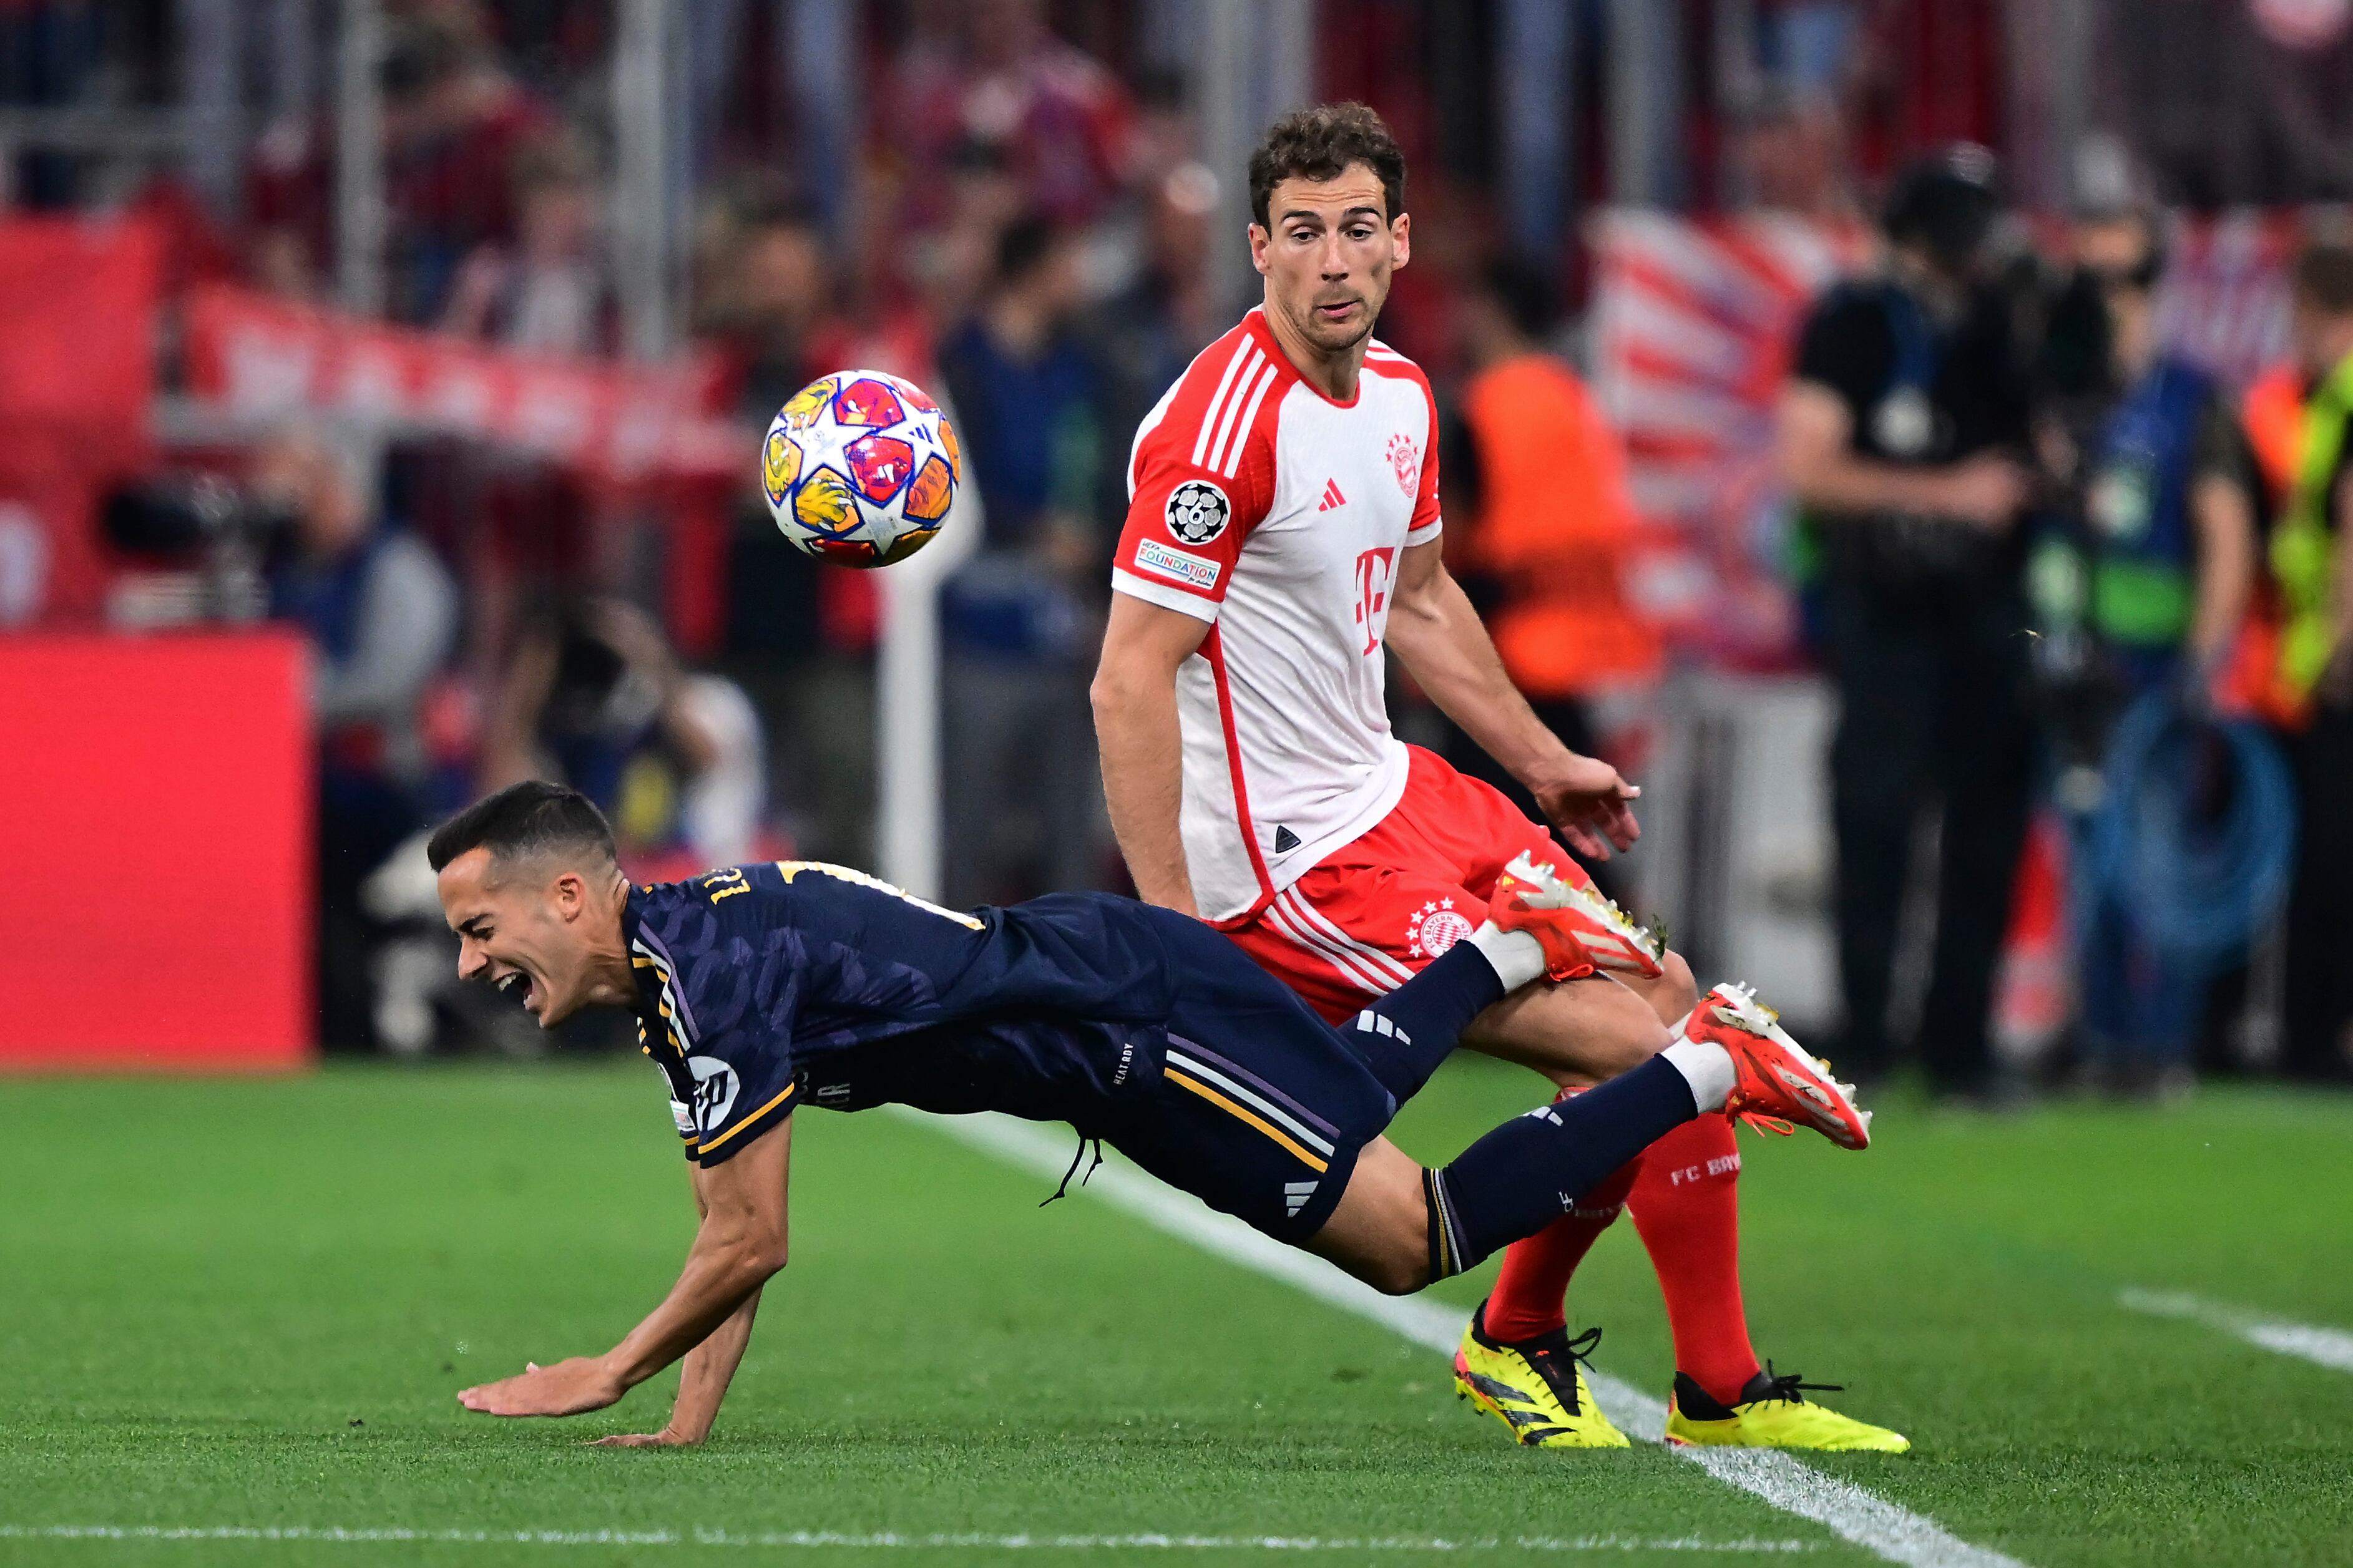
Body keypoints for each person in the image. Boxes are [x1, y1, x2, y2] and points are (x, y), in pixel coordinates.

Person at [1091, 103, 1904, 1453]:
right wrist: (1173, 924)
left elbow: (1417, 600)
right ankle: (1526, 1338)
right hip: (1289, 858)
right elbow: (1127, 678)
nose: (1333, 260)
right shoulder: (1219, 428)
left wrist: (1540, 760)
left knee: (1672, 998)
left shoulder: (1404, 394)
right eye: (1302, 234)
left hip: (1405, 791)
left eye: (1359, 229)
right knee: (1655, 1050)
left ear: (1401, 242)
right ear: (1258, 249)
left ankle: (1695, 1377)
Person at [429, 781, 1870, 1439]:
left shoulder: (706, 973)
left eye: (480, 925)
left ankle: (1708, 1063)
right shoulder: (685, 966)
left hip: (1127, 1033)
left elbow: (749, 1242)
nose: (469, 961)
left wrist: (603, 1371)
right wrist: (687, 1421)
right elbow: (722, 1224)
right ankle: (1503, 944)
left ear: (572, 894)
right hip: (1113, 987)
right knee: (1348, 1097)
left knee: (1408, 1233)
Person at [1776, 144, 2037, 1104]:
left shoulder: (2004, 327)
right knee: (1876, 822)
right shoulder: (1853, 321)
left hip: (1987, 614)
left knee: (1987, 827)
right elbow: (1807, 466)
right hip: (1885, 611)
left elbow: (2044, 445)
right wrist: (1947, 494)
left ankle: (1960, 1045)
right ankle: (1867, 1038)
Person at [2034, 205, 2259, 1093]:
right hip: (2058, 658)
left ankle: (2154, 1046)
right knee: (2080, 858)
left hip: (2147, 666)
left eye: (2126, 280)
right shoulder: (2047, 395)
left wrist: (2202, 661)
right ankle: (2093, 1032)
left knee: (2153, 856)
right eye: (2090, 281)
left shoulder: (2186, 400)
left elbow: (2226, 535)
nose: (2108, 300)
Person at [1440, 256, 1661, 873]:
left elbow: (1447, 542)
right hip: (1585, 647)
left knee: (1505, 848)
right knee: (1580, 839)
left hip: (1501, 649)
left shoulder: (1480, 407)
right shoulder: (1573, 396)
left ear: (1489, 311)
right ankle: (1623, 954)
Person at [257, 423, 459, 1050]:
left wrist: (281, 702)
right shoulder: (279, 570)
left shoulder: (395, 569)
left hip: (376, 786)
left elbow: (387, 679)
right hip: (281, 786)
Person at [2269, 245, 2353, 1083]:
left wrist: (2336, 644)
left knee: (2328, 863)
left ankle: (2313, 1040)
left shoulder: (2344, 391)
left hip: (2339, 663)